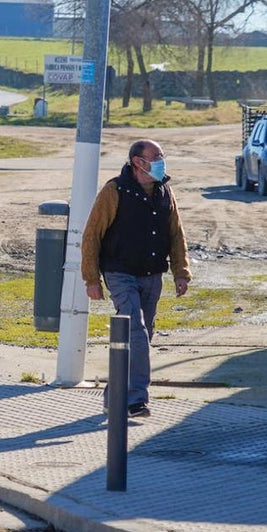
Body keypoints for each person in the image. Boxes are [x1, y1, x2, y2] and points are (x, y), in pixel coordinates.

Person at [80, 139, 191, 418]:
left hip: (152, 274)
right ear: (138, 162)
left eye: (162, 156)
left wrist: (181, 272)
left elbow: (176, 234)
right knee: (136, 333)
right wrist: (91, 279)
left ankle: (113, 397)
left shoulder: (165, 192)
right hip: (120, 273)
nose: (161, 161)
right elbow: (91, 235)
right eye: (156, 157)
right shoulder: (114, 190)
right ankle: (137, 399)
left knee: (141, 337)